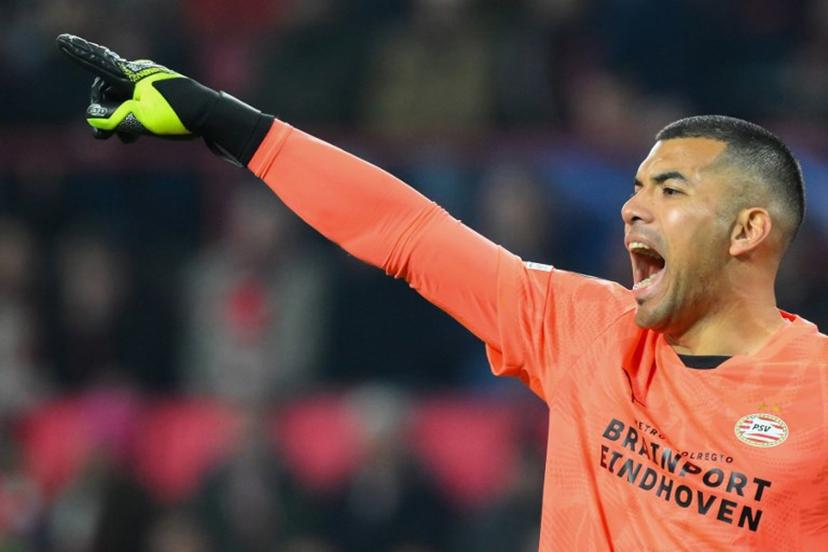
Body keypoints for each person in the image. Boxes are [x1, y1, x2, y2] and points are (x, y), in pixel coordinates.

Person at [55, 34, 828, 550]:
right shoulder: (585, 328)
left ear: (747, 230)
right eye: (634, 188)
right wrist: (216, 118)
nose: (633, 208)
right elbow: (407, 231)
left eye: (669, 190)